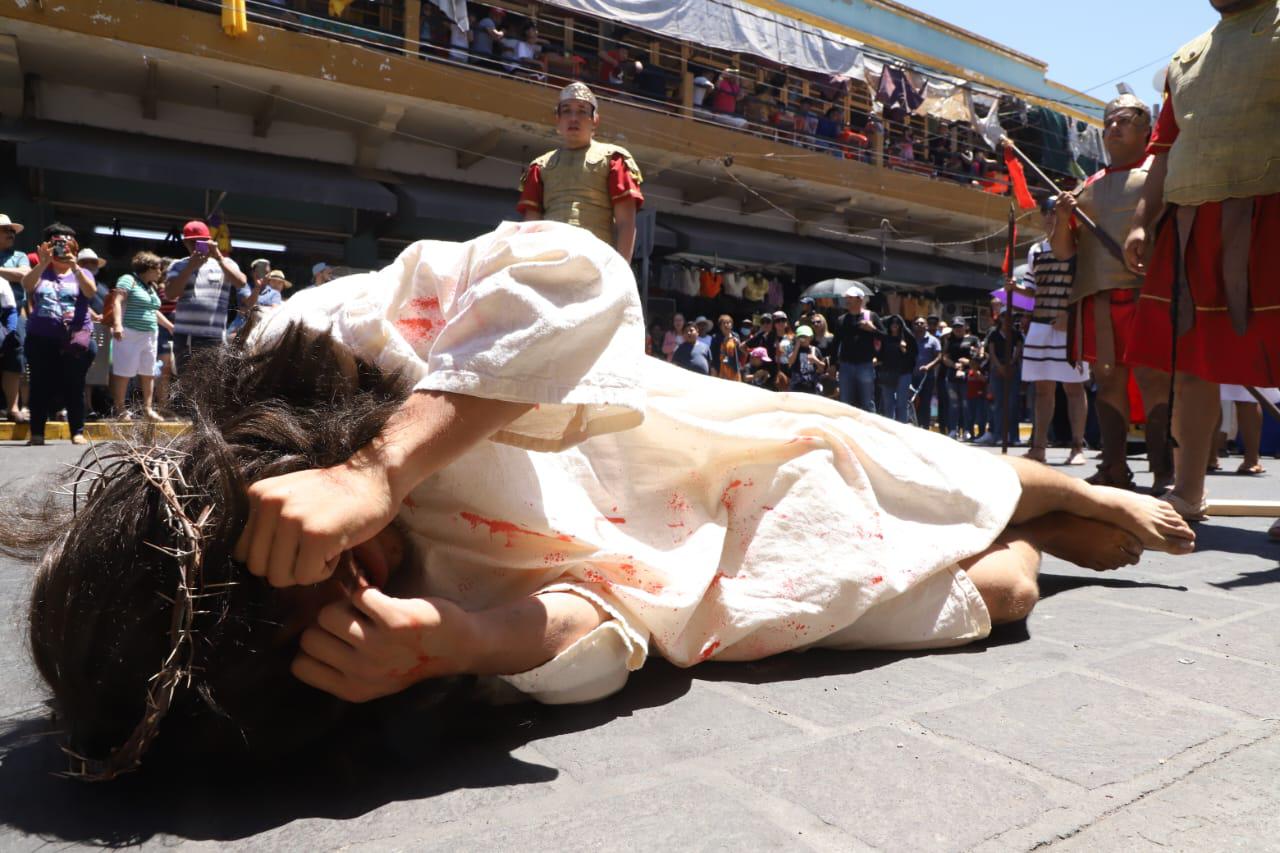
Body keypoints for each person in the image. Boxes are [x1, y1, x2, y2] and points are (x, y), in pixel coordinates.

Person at [7, 220, 1195, 780]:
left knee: (897, 460)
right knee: (995, 593)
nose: (354, 578)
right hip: (697, 570)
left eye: (285, 546)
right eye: (311, 629)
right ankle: (1022, 539)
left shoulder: (315, 341)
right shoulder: (401, 632)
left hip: (670, 441)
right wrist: (450, 643)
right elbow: (610, 631)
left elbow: (572, 270)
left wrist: (381, 467)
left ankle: (1048, 483)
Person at [1123, 0, 1280, 524]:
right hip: (1189, 223)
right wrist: (1143, 221)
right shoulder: (1186, 57)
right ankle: (1188, 491)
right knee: (1190, 366)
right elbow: (1164, 150)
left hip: (1271, 212)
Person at [1054, 95, 1172, 492]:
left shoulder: (1161, 175)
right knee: (1107, 380)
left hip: (1149, 295)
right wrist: (1062, 218)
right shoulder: (1088, 185)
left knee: (1154, 380)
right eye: (1109, 122)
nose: (1114, 128)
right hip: (1100, 297)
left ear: (1146, 129)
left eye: (1124, 121)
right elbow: (1064, 250)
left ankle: (1164, 471)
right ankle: (1114, 467)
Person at [518, 82, 644, 261]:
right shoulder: (540, 166)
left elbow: (626, 223)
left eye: (582, 111)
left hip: (594, 257)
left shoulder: (613, 159)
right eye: (566, 111)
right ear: (558, 119)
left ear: (595, 120)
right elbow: (530, 226)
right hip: (549, 254)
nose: (573, 118)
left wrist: (622, 270)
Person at [1019, 198, 1090, 464]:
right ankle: (1038, 447)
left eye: (1054, 212)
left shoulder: (1078, 245)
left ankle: (1077, 447)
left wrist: (1071, 315)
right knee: (1042, 390)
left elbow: (1085, 286)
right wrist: (1015, 291)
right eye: (1046, 212)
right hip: (1040, 325)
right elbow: (1032, 291)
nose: (1050, 217)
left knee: (1074, 388)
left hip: (1068, 326)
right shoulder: (1035, 250)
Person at [19, 223, 97, 446]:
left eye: (67, 245)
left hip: (75, 337)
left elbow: (90, 292)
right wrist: (43, 263)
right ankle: (37, 433)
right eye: (57, 245)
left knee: (74, 384)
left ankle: (77, 431)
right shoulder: (41, 270)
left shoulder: (83, 272)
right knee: (39, 384)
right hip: (41, 337)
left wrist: (74, 267)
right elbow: (27, 285)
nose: (62, 250)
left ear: (75, 248)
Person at [165, 219, 246, 372]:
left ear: (210, 241)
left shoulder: (226, 263)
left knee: (211, 381)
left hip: (214, 336)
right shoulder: (178, 265)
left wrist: (219, 257)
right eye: (192, 242)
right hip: (186, 336)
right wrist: (190, 267)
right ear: (185, 243)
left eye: (201, 241)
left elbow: (241, 282)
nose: (196, 244)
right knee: (185, 379)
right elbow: (170, 294)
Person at [108, 251, 173, 421]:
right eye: (157, 268)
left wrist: (169, 326)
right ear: (148, 268)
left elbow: (153, 310)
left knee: (148, 371)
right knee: (124, 371)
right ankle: (120, 409)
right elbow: (117, 301)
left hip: (150, 334)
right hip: (129, 332)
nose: (160, 272)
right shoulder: (128, 279)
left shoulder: (150, 286)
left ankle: (148, 409)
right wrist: (117, 324)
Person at [834, 286, 884, 412]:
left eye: (851, 298)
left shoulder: (871, 316)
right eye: (847, 297)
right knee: (845, 402)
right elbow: (835, 343)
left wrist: (873, 329)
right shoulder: (841, 319)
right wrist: (833, 365)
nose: (847, 300)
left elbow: (886, 337)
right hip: (845, 366)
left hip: (865, 365)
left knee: (867, 403)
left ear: (860, 299)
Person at [0, 214, 30, 423]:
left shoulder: (19, 256)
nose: (11, 233)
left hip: (14, 313)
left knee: (15, 357)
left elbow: (24, 275)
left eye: (12, 230)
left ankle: (13, 408)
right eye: (5, 230)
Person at [981, 312, 1025, 446]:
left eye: (1010, 317)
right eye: (1004, 316)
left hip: (1013, 369)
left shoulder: (1017, 334)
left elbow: (1018, 350)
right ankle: (999, 436)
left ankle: (1014, 437)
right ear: (1000, 318)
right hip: (997, 370)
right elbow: (991, 352)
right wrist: (999, 367)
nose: (1007, 319)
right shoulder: (994, 334)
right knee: (999, 405)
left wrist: (1011, 364)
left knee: (1013, 404)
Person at [875, 315, 917, 423]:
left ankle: (901, 426)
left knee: (901, 404)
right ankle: (889, 427)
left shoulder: (907, 338)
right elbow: (880, 355)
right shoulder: (885, 338)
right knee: (888, 404)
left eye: (897, 323)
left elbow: (913, 356)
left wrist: (904, 349)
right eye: (892, 323)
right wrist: (876, 361)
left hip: (903, 373)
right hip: (887, 373)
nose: (895, 325)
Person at [942, 317, 977, 440]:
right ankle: (953, 429)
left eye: (960, 326)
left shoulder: (973, 339)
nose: (958, 329)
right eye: (955, 327)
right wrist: (954, 365)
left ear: (965, 327)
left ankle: (967, 430)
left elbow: (979, 356)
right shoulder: (949, 340)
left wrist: (968, 362)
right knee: (953, 405)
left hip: (968, 376)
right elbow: (944, 357)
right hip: (952, 376)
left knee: (966, 404)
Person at [911, 317, 941, 429]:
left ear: (926, 326)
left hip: (927, 377)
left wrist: (928, 366)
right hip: (912, 376)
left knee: (925, 402)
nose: (919, 324)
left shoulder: (933, 340)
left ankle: (925, 426)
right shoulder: (910, 339)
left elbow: (939, 357)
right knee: (912, 401)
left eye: (922, 323)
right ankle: (914, 424)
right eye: (917, 323)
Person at [786, 324, 825, 394]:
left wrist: (815, 360)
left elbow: (822, 368)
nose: (803, 339)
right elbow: (790, 361)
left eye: (805, 337)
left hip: (811, 385)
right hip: (797, 385)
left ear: (810, 337)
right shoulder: (793, 349)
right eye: (801, 337)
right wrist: (797, 346)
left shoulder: (815, 350)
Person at [711, 314, 742, 381]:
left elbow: (740, 354)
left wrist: (738, 344)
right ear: (720, 326)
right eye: (724, 323)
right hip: (720, 369)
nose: (726, 325)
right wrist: (713, 369)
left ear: (731, 325)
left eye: (728, 323)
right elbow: (713, 355)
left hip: (733, 370)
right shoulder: (715, 337)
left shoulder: (736, 336)